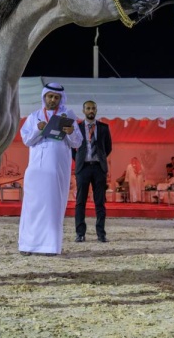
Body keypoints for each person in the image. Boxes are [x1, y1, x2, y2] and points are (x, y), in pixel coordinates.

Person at [18, 82, 82, 256]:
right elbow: (27, 141)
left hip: (56, 169)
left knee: (53, 206)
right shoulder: (34, 116)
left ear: (60, 99)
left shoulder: (67, 115)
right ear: (44, 97)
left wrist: (70, 132)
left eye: (56, 97)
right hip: (35, 170)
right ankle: (27, 245)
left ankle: (50, 247)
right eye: (50, 96)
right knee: (31, 206)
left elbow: (77, 142)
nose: (52, 99)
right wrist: (38, 130)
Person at [73, 100, 113, 243]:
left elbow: (108, 148)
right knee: (80, 202)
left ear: (96, 110)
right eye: (88, 108)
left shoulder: (103, 127)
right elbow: (73, 147)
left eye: (93, 108)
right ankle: (80, 233)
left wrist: (99, 158)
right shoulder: (76, 128)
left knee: (100, 202)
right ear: (83, 111)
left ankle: (101, 234)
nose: (91, 110)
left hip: (98, 168)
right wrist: (79, 159)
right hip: (83, 168)